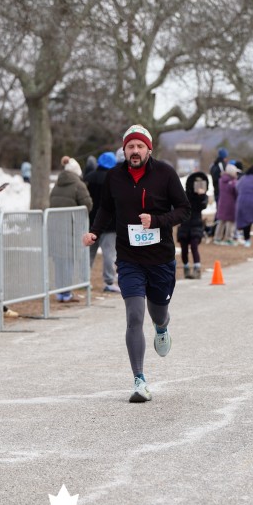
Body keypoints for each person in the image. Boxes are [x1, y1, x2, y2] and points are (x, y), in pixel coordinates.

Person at [81, 125, 189, 403]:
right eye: (131, 146)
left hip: (160, 258)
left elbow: (184, 209)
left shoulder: (165, 173)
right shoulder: (114, 176)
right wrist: (95, 231)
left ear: (149, 149)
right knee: (134, 316)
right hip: (129, 259)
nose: (135, 151)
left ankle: (162, 327)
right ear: (124, 150)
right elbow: (106, 208)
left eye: (140, 146)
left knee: (158, 313)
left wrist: (158, 221)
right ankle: (139, 379)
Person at [49, 157, 92, 302]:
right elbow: (87, 204)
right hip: (71, 228)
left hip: (55, 228)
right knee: (68, 260)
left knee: (59, 261)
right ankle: (66, 292)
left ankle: (60, 292)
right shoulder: (78, 185)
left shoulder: (57, 185)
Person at [84, 151, 118, 292]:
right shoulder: (114, 179)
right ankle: (109, 281)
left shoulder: (88, 177)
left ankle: (84, 280)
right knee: (109, 254)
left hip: (91, 223)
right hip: (109, 224)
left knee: (89, 253)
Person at [178, 171, 209, 278]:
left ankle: (197, 269)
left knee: (194, 246)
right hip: (184, 225)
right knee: (184, 249)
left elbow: (203, 205)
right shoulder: (185, 194)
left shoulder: (203, 196)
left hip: (196, 225)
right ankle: (186, 268)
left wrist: (201, 195)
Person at [213, 163, 239, 245]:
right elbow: (236, 193)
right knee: (230, 222)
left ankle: (217, 238)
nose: (236, 174)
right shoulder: (233, 182)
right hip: (231, 204)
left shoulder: (221, 180)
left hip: (222, 203)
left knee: (221, 221)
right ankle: (228, 238)